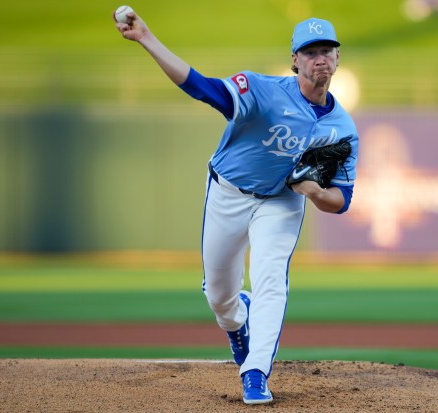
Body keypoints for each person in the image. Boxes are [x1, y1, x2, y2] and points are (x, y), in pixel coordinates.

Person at [114, 11, 359, 405]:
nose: (320, 59)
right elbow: (203, 89)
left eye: (327, 50)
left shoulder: (343, 128)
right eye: (310, 51)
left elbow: (341, 201)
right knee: (219, 297)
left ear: (337, 58)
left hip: (281, 202)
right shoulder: (262, 90)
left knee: (270, 281)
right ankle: (236, 322)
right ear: (294, 59)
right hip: (228, 193)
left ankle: (256, 372)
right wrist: (147, 39)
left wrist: (314, 191)